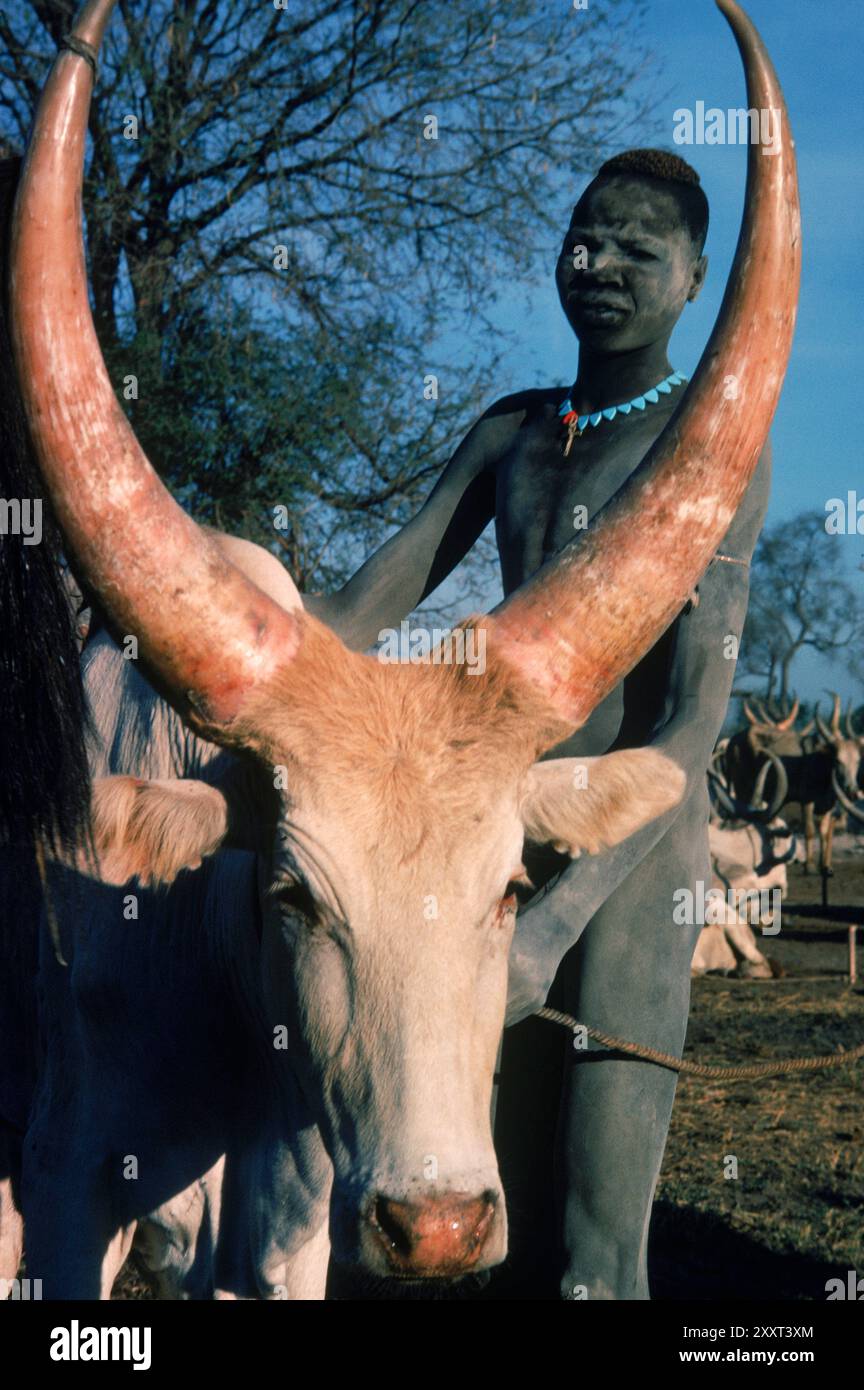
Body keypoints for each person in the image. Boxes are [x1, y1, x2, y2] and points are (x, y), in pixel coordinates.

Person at [309, 148, 771, 1299]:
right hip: (491, 850)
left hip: (627, 871)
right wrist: (205, 613)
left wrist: (554, 926)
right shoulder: (512, 430)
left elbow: (691, 724)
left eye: (639, 248)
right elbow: (363, 604)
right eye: (587, 237)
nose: (603, 263)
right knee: (464, 1221)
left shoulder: (711, 443)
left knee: (593, 1249)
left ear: (696, 277)